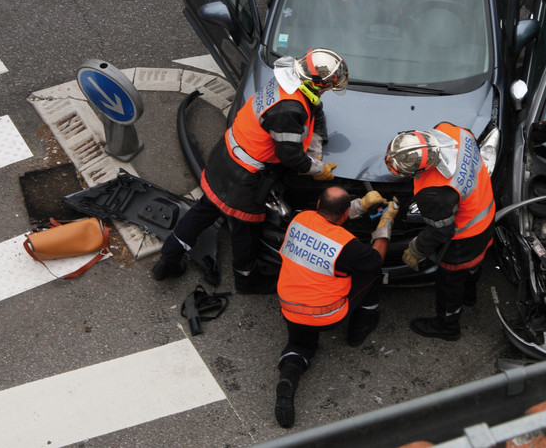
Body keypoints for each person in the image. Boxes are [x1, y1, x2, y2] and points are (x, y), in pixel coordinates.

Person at [151, 48, 348, 294]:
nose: (328, 90)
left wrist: (317, 144)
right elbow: (291, 156)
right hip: (243, 178)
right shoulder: (290, 109)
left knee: (203, 210)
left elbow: (314, 110)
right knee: (246, 232)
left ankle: (167, 260)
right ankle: (247, 281)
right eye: (328, 86)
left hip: (226, 157)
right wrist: (318, 168)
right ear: (318, 84)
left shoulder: (286, 81)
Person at [274, 186, 398, 428]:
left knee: (300, 346)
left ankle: (289, 377)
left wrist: (360, 205)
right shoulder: (347, 245)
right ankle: (358, 330)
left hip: (290, 308)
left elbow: (329, 220)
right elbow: (374, 260)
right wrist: (385, 224)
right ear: (344, 214)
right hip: (327, 314)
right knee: (372, 275)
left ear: (318, 205)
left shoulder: (300, 218)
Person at [384, 122, 495, 341]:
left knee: (449, 282)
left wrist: (416, 250)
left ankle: (447, 326)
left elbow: (440, 232)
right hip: (485, 211)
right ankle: (469, 296)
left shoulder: (435, 193)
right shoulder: (452, 131)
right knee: (472, 268)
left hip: (465, 237)